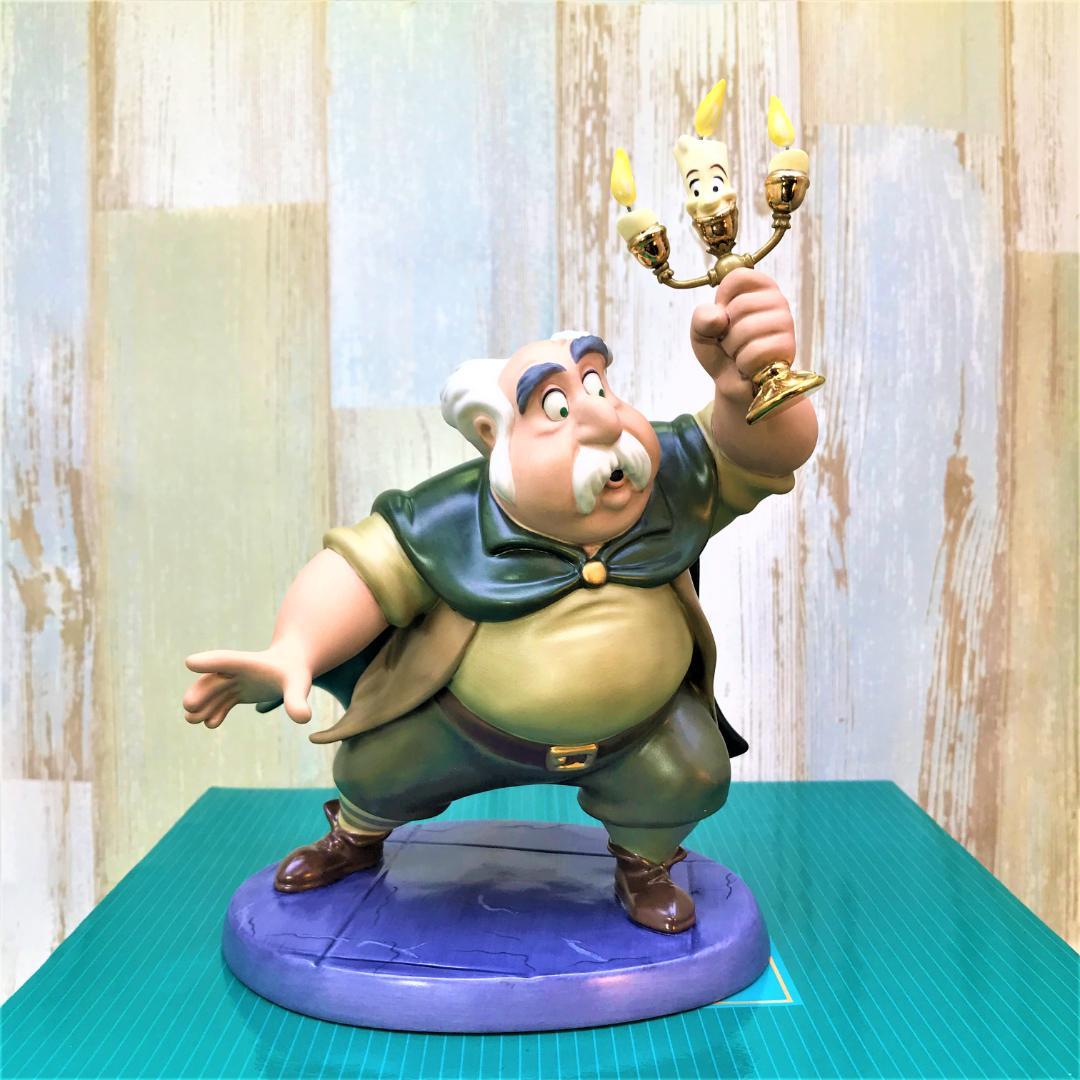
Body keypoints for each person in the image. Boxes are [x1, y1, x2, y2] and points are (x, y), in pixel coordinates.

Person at [182, 269, 818, 934]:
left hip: (641, 735)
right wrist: (295, 648)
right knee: (377, 767)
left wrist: (747, 388)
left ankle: (645, 862)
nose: (603, 417)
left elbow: (762, 454)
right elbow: (357, 572)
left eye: (598, 385)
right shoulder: (452, 514)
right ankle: (356, 835)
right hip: (459, 728)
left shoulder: (668, 481)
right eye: (557, 407)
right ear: (493, 434)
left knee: (690, 771)